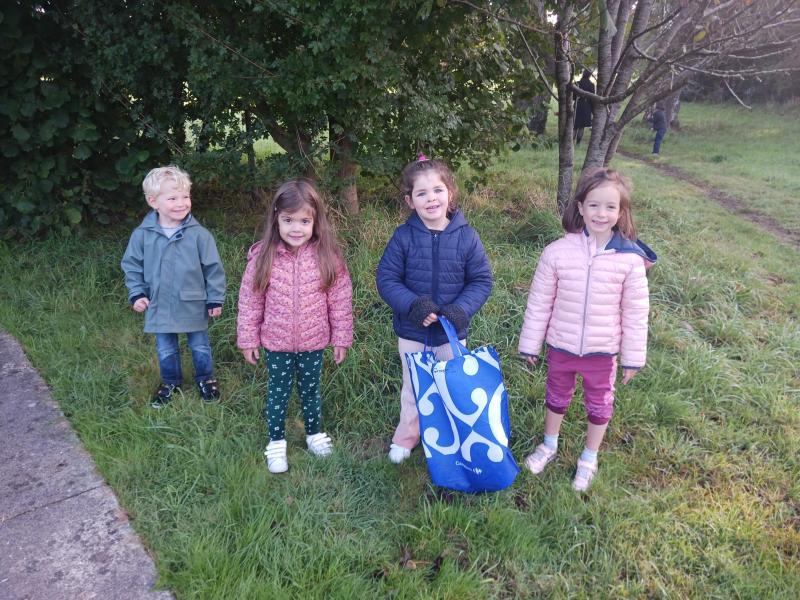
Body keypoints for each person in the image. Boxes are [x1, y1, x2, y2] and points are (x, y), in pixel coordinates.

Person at [518, 167, 656, 492]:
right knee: (556, 395)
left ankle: (589, 458)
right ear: (580, 207)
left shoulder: (630, 261)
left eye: (610, 207)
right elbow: (539, 303)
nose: (601, 213)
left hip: (602, 351)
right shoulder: (556, 253)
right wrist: (530, 344)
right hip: (561, 345)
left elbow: (636, 313)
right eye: (593, 205)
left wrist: (632, 358)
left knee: (599, 403)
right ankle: (548, 445)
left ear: (620, 212)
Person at [376, 155, 493, 465]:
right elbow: (387, 279)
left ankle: (451, 439)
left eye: (438, 190)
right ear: (410, 201)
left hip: (451, 333)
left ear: (450, 193)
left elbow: (481, 280)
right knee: (413, 387)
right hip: (412, 331)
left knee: (451, 386)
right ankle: (407, 436)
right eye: (422, 193)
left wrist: (460, 311)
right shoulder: (403, 237)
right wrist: (413, 305)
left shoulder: (467, 237)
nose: (431, 199)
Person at [237, 180, 353, 474]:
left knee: (310, 389)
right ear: (276, 219)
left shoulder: (328, 257)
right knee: (278, 392)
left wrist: (341, 337)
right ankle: (276, 442)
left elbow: (340, 301)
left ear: (316, 221)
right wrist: (248, 339)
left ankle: (314, 434)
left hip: (314, 341)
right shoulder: (263, 257)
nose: (296, 228)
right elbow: (250, 301)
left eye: (304, 221)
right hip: (276, 342)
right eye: (288, 220)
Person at [121, 165, 226, 409]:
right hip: (158, 302)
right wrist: (137, 293)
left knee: (200, 345)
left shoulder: (199, 235)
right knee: (165, 347)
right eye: (172, 198)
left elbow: (213, 269)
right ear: (153, 202)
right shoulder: (142, 235)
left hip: (193, 301)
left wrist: (215, 298)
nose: (181, 203)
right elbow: (132, 266)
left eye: (185, 196)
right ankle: (170, 381)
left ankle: (206, 379)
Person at [573, 69, 595, 145]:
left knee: (574, 126)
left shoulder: (576, 83)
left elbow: (573, 97)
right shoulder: (591, 85)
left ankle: (570, 142)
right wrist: (593, 111)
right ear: (590, 75)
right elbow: (592, 99)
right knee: (581, 127)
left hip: (577, 105)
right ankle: (578, 144)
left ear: (583, 74)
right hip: (586, 107)